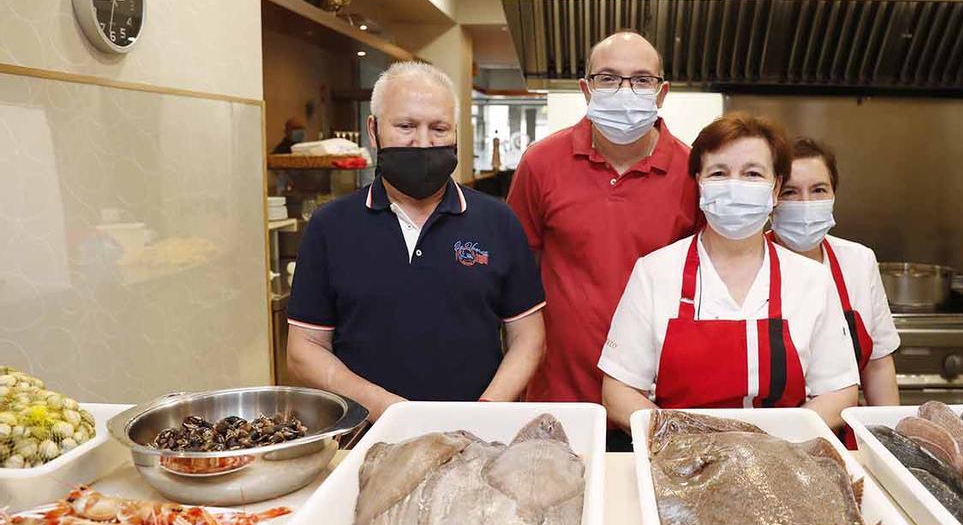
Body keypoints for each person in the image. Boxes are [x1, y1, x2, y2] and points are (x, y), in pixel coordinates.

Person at [286, 61, 546, 421]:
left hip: (475, 440)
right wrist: (390, 411)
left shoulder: (498, 222)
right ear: (374, 130)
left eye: (438, 128)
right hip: (363, 438)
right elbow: (305, 349)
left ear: (456, 133)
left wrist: (485, 412)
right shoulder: (330, 226)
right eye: (406, 126)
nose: (423, 142)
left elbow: (528, 340)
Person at [598, 113, 860, 438]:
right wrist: (678, 441)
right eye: (719, 173)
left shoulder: (811, 280)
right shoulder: (654, 273)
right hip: (679, 464)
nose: (735, 185)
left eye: (752, 173)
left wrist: (776, 444)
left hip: (782, 462)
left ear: (775, 187)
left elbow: (839, 393)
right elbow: (618, 392)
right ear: (699, 183)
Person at [507, 31, 700, 415]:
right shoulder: (541, 163)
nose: (625, 91)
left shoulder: (693, 171)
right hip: (560, 396)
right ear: (586, 88)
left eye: (642, 80)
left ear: (661, 94)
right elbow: (513, 273)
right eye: (608, 78)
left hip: (658, 400)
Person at [770, 137, 900, 419]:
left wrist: (889, 436)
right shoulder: (748, 263)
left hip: (846, 433)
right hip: (772, 434)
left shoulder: (858, 261)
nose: (806, 203)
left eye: (818, 190)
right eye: (790, 192)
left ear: (834, 194)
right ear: (772, 198)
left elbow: (877, 364)